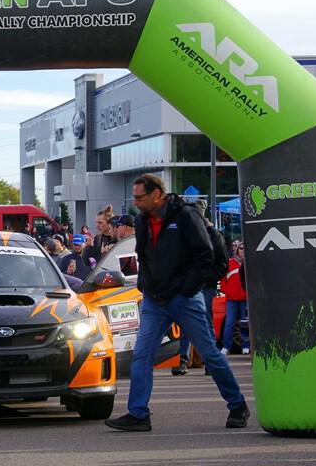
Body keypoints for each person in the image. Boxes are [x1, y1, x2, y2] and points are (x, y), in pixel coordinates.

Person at [105, 174, 248, 431]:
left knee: (209, 354)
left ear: (156, 194)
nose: (135, 201)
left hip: (184, 299)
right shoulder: (141, 220)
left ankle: (238, 405)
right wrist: (144, 285)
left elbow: (206, 256)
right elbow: (144, 257)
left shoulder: (185, 217)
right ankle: (138, 413)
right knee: (142, 355)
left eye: (139, 197)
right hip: (154, 300)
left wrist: (188, 288)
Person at [172, 201, 229, 376]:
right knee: (187, 321)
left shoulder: (214, 235)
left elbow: (222, 264)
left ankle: (209, 362)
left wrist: (205, 279)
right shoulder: (184, 235)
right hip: (189, 285)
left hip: (205, 285)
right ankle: (184, 360)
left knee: (204, 320)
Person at [220, 241, 248, 355]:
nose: (241, 250)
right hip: (231, 300)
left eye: (243, 248)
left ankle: (246, 346)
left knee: (245, 323)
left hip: (245, 299)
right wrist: (227, 292)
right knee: (229, 323)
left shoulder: (248, 263)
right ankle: (226, 346)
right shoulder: (229, 263)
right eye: (240, 248)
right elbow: (222, 281)